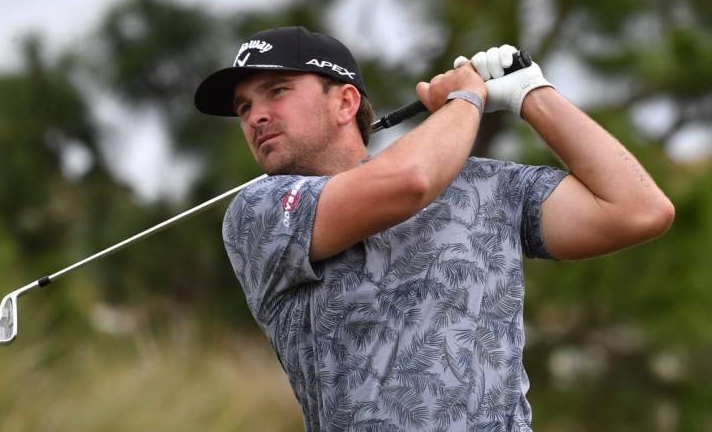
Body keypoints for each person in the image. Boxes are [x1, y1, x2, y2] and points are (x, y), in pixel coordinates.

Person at [194, 26, 674, 431]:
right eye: (243, 107)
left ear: (344, 103)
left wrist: (531, 94)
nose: (256, 116)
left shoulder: (486, 185)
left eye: (277, 91)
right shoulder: (260, 212)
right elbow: (410, 180)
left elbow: (638, 210)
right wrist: (466, 98)